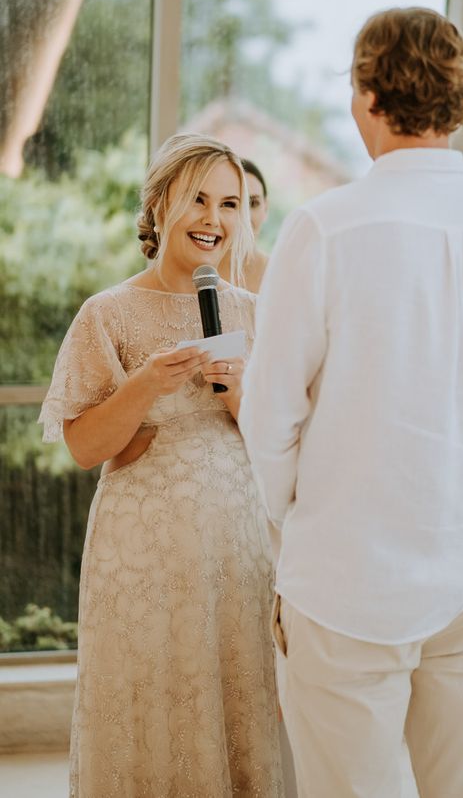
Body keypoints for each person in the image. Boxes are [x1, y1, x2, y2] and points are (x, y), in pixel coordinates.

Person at [239, 7, 463, 798]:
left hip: (347, 575)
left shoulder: (326, 230)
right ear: (461, 101)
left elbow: (269, 414)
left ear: (366, 95)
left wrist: (294, 530)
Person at [39, 133, 284, 798]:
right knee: (147, 695)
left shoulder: (263, 317)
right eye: (197, 199)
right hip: (140, 553)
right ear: (160, 205)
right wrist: (145, 385)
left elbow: (293, 446)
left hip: (240, 547)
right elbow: (86, 447)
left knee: (243, 696)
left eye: (229, 203)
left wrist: (241, 398)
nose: (213, 218)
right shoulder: (107, 313)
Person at [220, 157, 270, 293]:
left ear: (266, 208)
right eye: (232, 204)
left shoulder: (279, 273)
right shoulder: (196, 272)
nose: (245, 217)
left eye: (253, 203)